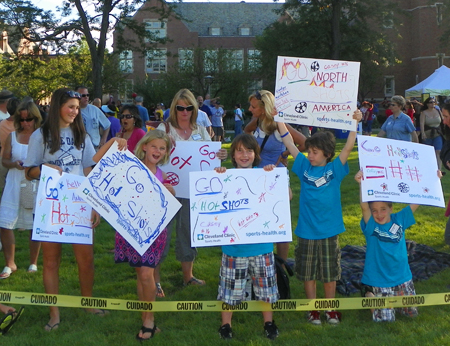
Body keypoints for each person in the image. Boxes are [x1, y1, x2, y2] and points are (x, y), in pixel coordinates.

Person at [23, 88, 103, 331]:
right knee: (50, 261)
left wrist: (95, 204)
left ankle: (88, 303)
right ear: (58, 106)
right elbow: (29, 171)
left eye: (77, 108)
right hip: (50, 204)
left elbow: (89, 169)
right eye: (70, 106)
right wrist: (44, 167)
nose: (74, 111)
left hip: (79, 205)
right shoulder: (41, 135)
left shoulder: (82, 134)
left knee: (86, 260)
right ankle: (54, 313)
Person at [277, 109, 362, 325]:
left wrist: (355, 122)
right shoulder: (304, 166)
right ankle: (313, 309)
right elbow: (288, 142)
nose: (310, 155)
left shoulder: (336, 169)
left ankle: (330, 308)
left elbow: (350, 146)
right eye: (309, 151)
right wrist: (280, 120)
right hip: (306, 231)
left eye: (314, 152)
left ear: (326, 153)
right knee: (307, 273)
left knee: (330, 273)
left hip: (329, 231)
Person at [93, 130, 175, 341]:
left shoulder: (162, 175)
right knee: (141, 274)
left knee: (147, 274)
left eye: (162, 148)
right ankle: (146, 317)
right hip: (130, 229)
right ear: (145, 146)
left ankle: (149, 320)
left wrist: (169, 192)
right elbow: (97, 160)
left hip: (154, 232)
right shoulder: (130, 165)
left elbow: (165, 204)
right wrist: (112, 141)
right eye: (154, 146)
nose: (158, 151)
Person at [156, 88, 227, 286]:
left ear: (194, 109)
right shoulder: (164, 129)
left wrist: (220, 156)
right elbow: (149, 155)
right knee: (161, 234)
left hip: (192, 191)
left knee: (188, 232)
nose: (184, 112)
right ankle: (156, 281)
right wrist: (163, 146)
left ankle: (188, 276)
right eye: (180, 108)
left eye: (188, 107)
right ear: (174, 108)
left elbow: (210, 158)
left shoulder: (200, 130)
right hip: (166, 190)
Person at [215, 133, 279, 340]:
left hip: (262, 246)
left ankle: (269, 322)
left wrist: (273, 177)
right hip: (234, 248)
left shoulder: (265, 174)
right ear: (233, 155)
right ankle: (226, 324)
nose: (244, 155)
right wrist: (216, 177)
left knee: (266, 289)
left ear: (256, 154)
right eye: (240, 151)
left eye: (249, 151)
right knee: (229, 289)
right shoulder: (225, 175)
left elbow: (287, 196)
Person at [354, 169, 429, 322]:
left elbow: (419, 198)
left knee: (411, 313)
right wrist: (362, 185)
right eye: (374, 210)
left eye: (383, 209)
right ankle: (369, 294)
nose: (379, 214)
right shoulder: (371, 225)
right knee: (386, 320)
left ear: (391, 209)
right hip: (380, 278)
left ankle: (379, 296)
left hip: (402, 276)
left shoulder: (400, 218)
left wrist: (433, 179)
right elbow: (364, 207)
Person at [244, 90, 306, 261]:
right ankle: (261, 257)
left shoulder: (280, 125)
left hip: (275, 177)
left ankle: (282, 264)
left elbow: (304, 142)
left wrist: (285, 153)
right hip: (256, 175)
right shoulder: (256, 123)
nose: (250, 109)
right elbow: (245, 133)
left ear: (264, 108)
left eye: (253, 106)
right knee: (258, 217)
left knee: (280, 219)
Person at [0, 101, 43, 279]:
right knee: (5, 222)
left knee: (35, 224)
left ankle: (33, 262)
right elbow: (5, 160)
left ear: (36, 118)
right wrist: (15, 164)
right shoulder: (12, 136)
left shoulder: (42, 137)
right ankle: (10, 263)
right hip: (14, 181)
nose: (25, 123)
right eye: (22, 119)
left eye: (29, 119)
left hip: (34, 183)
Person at [420, 97, 443, 169]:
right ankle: (429, 168)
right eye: (431, 102)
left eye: (434, 102)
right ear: (427, 104)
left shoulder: (438, 111)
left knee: (438, 151)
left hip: (437, 133)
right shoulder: (424, 113)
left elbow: (443, 120)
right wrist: (423, 133)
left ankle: (439, 169)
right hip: (427, 134)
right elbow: (421, 123)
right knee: (428, 152)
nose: (432, 103)